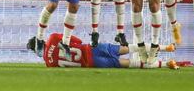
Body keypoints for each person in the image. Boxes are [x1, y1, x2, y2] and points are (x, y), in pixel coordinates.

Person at [27, 33, 179, 69]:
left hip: (92, 62)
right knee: (129, 47)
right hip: (92, 48)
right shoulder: (53, 37)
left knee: (126, 63)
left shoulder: (49, 63)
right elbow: (77, 41)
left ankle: (166, 64)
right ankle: (167, 47)